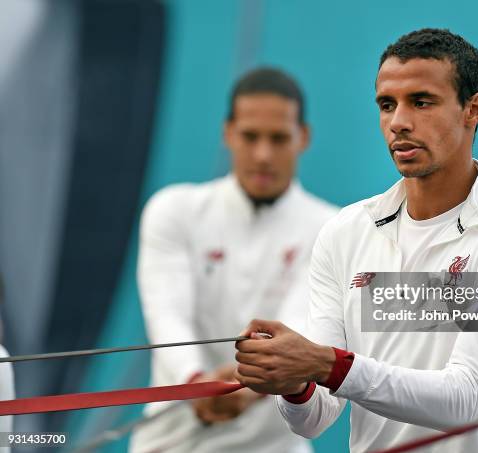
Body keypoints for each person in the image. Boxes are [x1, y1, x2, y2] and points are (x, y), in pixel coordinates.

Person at [234, 29, 478, 452]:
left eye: (422, 102)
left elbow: (465, 399)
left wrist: (324, 364)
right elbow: (315, 417)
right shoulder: (346, 231)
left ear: (473, 109)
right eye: (387, 105)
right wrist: (296, 382)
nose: (399, 122)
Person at [129, 67, 337, 453]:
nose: (262, 154)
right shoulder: (172, 210)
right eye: (250, 136)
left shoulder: (331, 229)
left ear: (303, 138)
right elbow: (167, 317)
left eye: (278, 139)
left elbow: (297, 328)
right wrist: (199, 384)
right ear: (227, 133)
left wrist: (245, 390)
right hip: (171, 443)